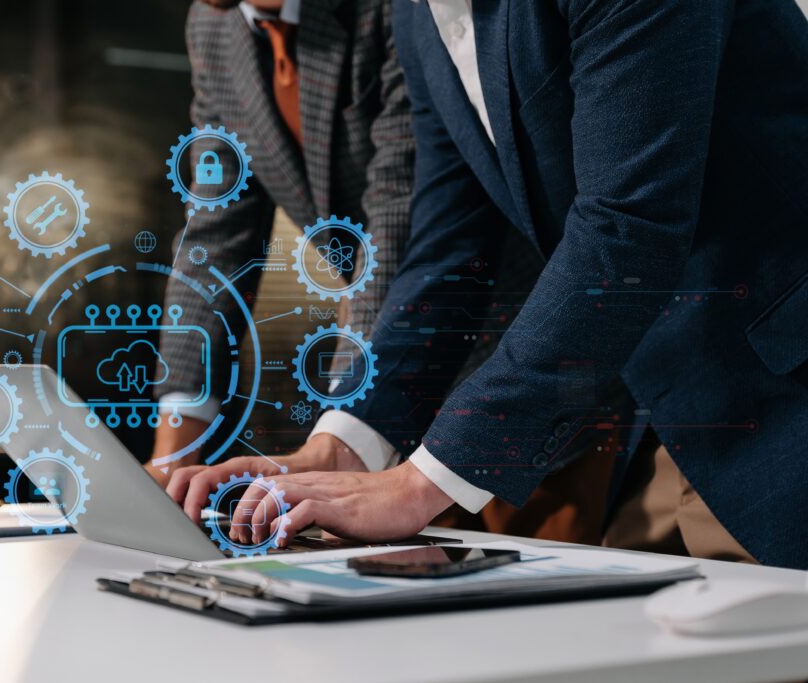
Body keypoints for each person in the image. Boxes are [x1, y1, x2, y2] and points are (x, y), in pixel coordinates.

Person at [170, 0, 808, 570]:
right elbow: (448, 250)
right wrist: (344, 443)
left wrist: (423, 481)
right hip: (662, 397)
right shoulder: (420, 17)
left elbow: (627, 228)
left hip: (774, 387)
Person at [144, 0, 414, 486]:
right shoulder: (214, 25)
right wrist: (173, 456)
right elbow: (215, 238)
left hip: (498, 336)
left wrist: (338, 441)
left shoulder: (387, 10)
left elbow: (397, 219)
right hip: (374, 344)